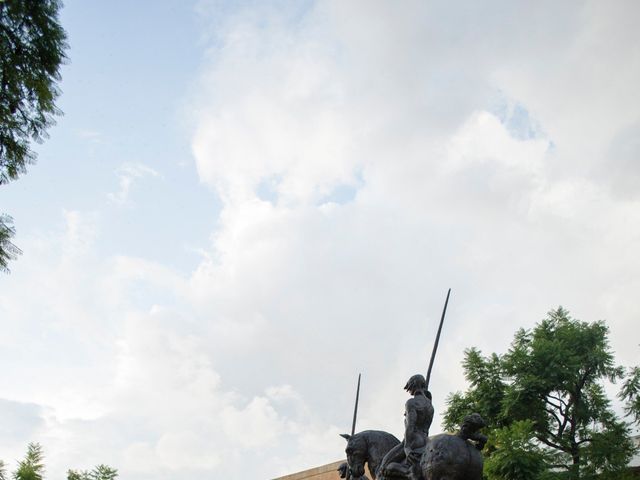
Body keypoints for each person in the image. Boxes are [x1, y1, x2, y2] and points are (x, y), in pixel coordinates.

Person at [379, 374, 434, 480]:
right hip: (425, 440)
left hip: (413, 440)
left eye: (409, 387)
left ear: (413, 385)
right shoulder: (430, 405)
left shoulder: (411, 403)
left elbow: (410, 427)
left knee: (384, 466)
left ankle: (410, 474)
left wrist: (407, 447)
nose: (408, 390)